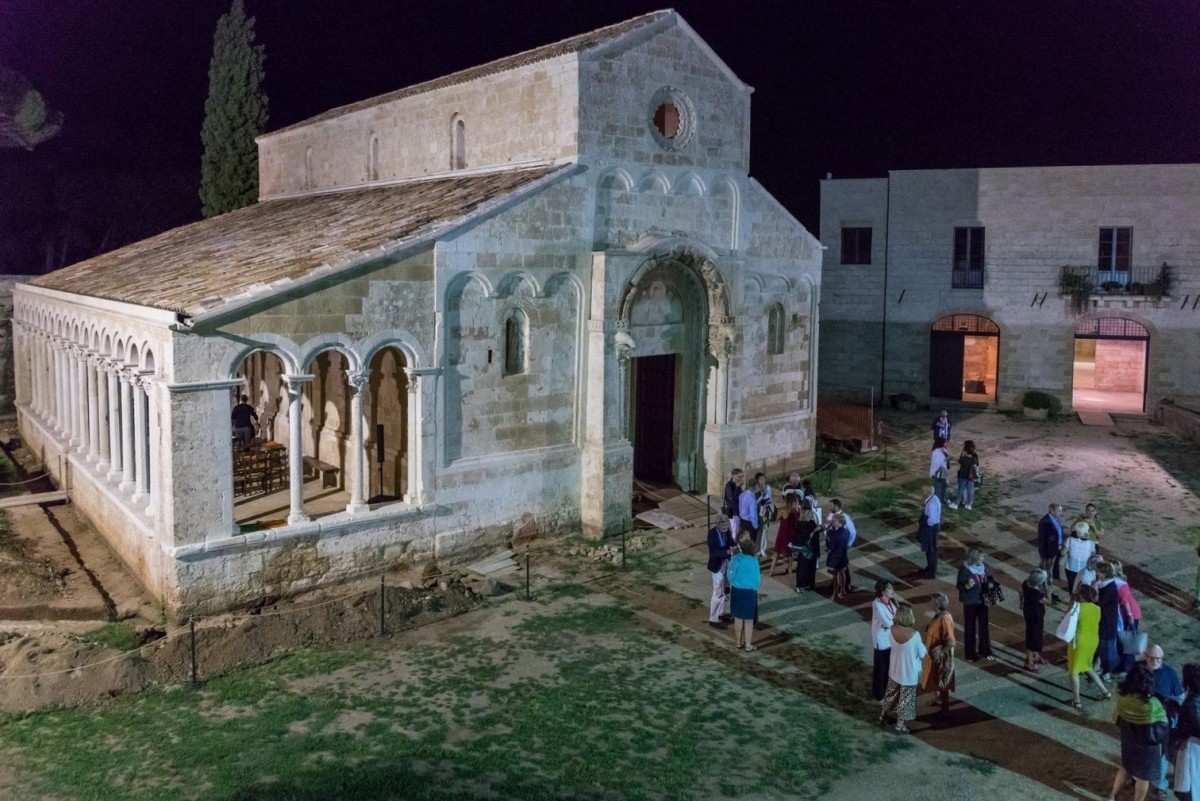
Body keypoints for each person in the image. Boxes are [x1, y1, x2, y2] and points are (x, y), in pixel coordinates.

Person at [1107, 664, 1169, 801]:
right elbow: (1163, 721)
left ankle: (1112, 797)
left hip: (1128, 739)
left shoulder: (1123, 698)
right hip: (1146, 746)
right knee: (1142, 778)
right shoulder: (1151, 704)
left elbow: (1116, 718)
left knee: (1125, 768)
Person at [1144, 644, 1186, 796]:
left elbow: (1179, 697)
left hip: (1162, 722)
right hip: (1143, 720)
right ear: (1145, 656)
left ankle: (1160, 785)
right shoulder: (1139, 671)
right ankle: (1138, 776)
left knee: (1161, 753)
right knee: (1143, 750)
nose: (1155, 661)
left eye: (1158, 659)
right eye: (1151, 658)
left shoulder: (1170, 674)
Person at [879, 605, 927, 734]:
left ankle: (882, 715)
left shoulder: (892, 630)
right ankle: (900, 725)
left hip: (894, 671)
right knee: (905, 701)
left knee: (890, 695)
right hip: (909, 675)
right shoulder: (915, 635)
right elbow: (922, 653)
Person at [1067, 584, 1111, 709]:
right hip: (1092, 640)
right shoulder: (1097, 608)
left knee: (1074, 671)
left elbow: (1068, 620)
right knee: (1087, 666)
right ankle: (1105, 692)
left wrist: (1071, 602)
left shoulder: (1077, 607)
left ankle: (1077, 700)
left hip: (1078, 641)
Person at [920, 592, 957, 714]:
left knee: (942, 680)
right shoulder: (938, 615)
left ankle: (945, 709)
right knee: (935, 678)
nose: (931, 603)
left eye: (933, 601)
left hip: (941, 657)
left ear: (937, 604)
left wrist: (941, 651)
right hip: (934, 655)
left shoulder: (945, 618)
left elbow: (951, 641)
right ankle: (937, 698)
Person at [956, 548, 994, 662]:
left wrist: (990, 584)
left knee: (984, 627)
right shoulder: (964, 570)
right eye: (981, 557)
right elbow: (959, 586)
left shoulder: (982, 567)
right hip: (970, 602)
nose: (983, 559)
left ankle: (985, 651)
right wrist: (967, 586)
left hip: (982, 601)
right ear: (975, 558)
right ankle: (970, 654)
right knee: (970, 628)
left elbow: (986, 578)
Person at [727, 537, 761, 652]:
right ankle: (748, 645)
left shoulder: (735, 559)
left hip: (737, 590)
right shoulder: (754, 561)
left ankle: (738, 642)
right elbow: (757, 579)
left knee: (738, 618)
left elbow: (730, 574)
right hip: (749, 591)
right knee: (748, 620)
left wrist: (734, 582)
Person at [705, 515, 735, 628]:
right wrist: (727, 552)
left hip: (726, 563)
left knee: (724, 589)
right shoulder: (712, 534)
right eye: (723, 527)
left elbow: (731, 541)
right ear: (717, 525)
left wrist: (734, 546)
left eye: (726, 526)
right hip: (716, 565)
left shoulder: (727, 531)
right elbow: (714, 553)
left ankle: (720, 613)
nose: (725, 529)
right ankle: (713, 618)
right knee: (717, 590)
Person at [871, 580, 898, 701]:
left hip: (890, 639)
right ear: (883, 591)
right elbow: (886, 622)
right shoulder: (876, 604)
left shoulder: (891, 603)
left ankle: (886, 690)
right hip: (881, 641)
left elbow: (897, 616)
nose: (893, 591)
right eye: (890, 589)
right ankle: (879, 694)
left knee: (888, 667)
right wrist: (895, 622)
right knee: (880, 668)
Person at [1095, 562, 1122, 681]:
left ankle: (1107, 671)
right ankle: (1101, 667)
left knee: (1106, 648)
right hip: (1106, 621)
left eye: (1099, 572)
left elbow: (1100, 603)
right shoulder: (1106, 585)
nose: (1097, 573)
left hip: (1107, 623)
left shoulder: (1109, 588)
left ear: (1105, 574)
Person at [1020, 568, 1049, 672]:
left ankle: (1035, 655)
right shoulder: (1036, 593)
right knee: (1032, 637)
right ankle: (1029, 662)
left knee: (1034, 635)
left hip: (1029, 612)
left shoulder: (1025, 584)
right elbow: (1047, 601)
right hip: (1035, 616)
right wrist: (1048, 590)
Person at [1037, 503, 1065, 602]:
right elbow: (1041, 540)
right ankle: (1046, 594)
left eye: (1061, 510)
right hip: (1048, 554)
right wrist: (1044, 556)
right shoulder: (1044, 522)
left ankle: (1049, 593)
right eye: (1058, 511)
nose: (1061, 513)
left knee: (1051, 573)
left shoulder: (1055, 519)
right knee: (1046, 574)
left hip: (1055, 550)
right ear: (1051, 511)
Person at [769, 495, 801, 576]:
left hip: (782, 534)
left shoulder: (784, 511)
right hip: (791, 536)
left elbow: (774, 519)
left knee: (777, 552)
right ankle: (790, 570)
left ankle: (771, 570)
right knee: (790, 553)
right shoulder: (796, 512)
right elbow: (798, 524)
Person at [1063, 521, 1098, 594]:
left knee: (1072, 587)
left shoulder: (1069, 540)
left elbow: (1063, 552)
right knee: (1084, 588)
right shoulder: (1091, 543)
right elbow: (1093, 557)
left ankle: (1072, 600)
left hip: (1071, 568)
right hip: (1084, 570)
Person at [792, 508, 820, 593]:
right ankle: (810, 584)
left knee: (802, 568)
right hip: (812, 549)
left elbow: (796, 537)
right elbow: (816, 538)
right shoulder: (812, 524)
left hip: (803, 550)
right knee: (810, 568)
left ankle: (800, 585)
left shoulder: (800, 525)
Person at [916, 484, 942, 578]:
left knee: (931, 550)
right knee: (929, 549)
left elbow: (932, 520)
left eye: (924, 491)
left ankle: (931, 573)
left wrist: (924, 521)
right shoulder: (932, 499)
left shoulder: (932, 503)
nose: (922, 493)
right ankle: (930, 568)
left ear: (928, 492)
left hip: (931, 529)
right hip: (931, 528)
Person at [825, 514, 852, 601]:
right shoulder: (846, 532)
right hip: (843, 556)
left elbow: (830, 546)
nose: (833, 522)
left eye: (835, 521)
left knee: (835, 576)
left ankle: (835, 593)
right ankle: (843, 590)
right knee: (842, 573)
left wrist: (828, 534)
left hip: (835, 558)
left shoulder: (835, 535)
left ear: (840, 522)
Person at [753, 472, 775, 558]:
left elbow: (770, 498)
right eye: (760, 479)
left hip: (768, 509)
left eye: (763, 478)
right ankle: (759, 550)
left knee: (766, 530)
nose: (762, 480)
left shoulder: (768, 487)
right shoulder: (756, 490)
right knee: (761, 530)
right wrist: (762, 497)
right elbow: (756, 502)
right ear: (757, 480)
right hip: (761, 511)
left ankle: (763, 549)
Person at [954, 440, 980, 511]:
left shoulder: (964, 457)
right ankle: (969, 504)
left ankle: (956, 503)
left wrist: (963, 454)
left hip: (963, 476)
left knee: (960, 490)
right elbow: (977, 464)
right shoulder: (974, 456)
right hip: (971, 477)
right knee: (970, 491)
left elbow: (960, 461)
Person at [737, 480, 760, 557]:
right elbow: (753, 514)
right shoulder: (751, 498)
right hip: (749, 523)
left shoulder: (742, 494)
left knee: (744, 540)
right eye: (757, 485)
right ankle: (750, 557)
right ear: (754, 486)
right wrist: (755, 525)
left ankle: (743, 555)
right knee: (750, 542)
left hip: (742, 520)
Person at [722, 469, 744, 536]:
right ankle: (735, 544)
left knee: (739, 531)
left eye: (742, 477)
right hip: (734, 513)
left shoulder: (738, 485)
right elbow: (732, 500)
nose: (741, 479)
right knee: (735, 532)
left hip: (739, 511)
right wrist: (737, 487)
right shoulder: (729, 485)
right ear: (733, 476)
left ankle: (738, 545)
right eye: (739, 477)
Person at [930, 438, 951, 506]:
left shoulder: (943, 450)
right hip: (937, 473)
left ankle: (941, 500)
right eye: (945, 442)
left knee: (943, 486)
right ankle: (937, 501)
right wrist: (945, 460)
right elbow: (937, 463)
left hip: (943, 472)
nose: (946, 444)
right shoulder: (936, 452)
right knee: (937, 487)